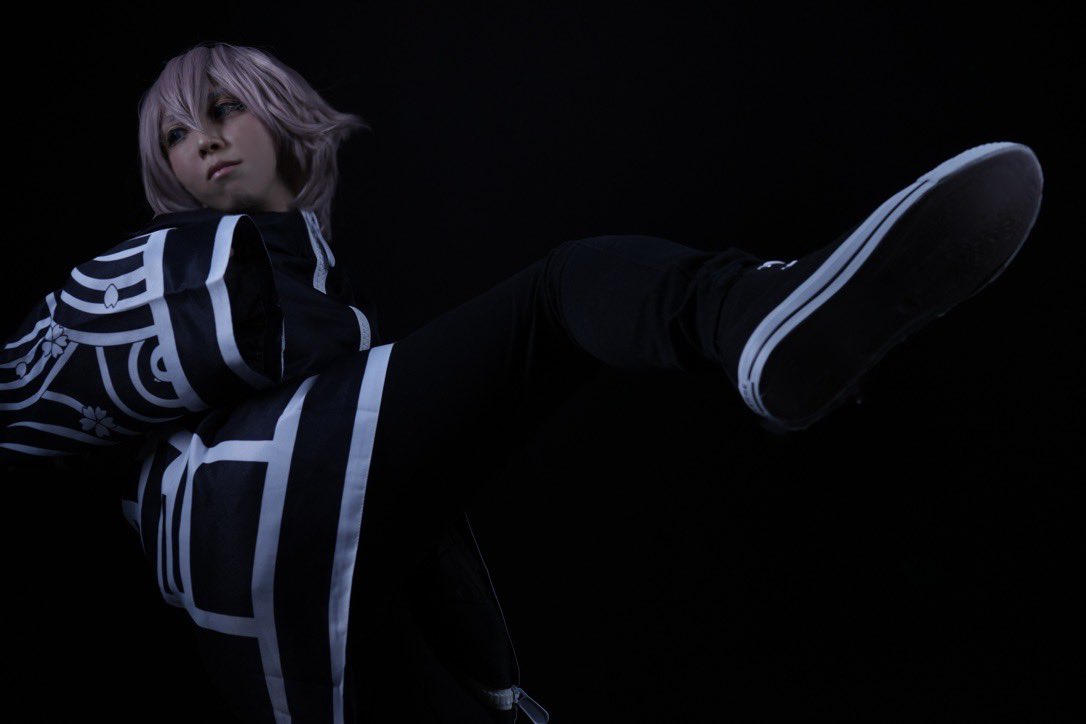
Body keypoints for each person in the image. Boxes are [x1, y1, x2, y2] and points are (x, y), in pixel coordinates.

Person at [0, 41, 1043, 723]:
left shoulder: (325, 301)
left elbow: (414, 523)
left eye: (223, 108)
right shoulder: (185, 268)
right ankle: (755, 315)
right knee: (562, 292)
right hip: (250, 520)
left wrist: (494, 683)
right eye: (176, 135)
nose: (203, 141)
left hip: (274, 583)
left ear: (279, 113)